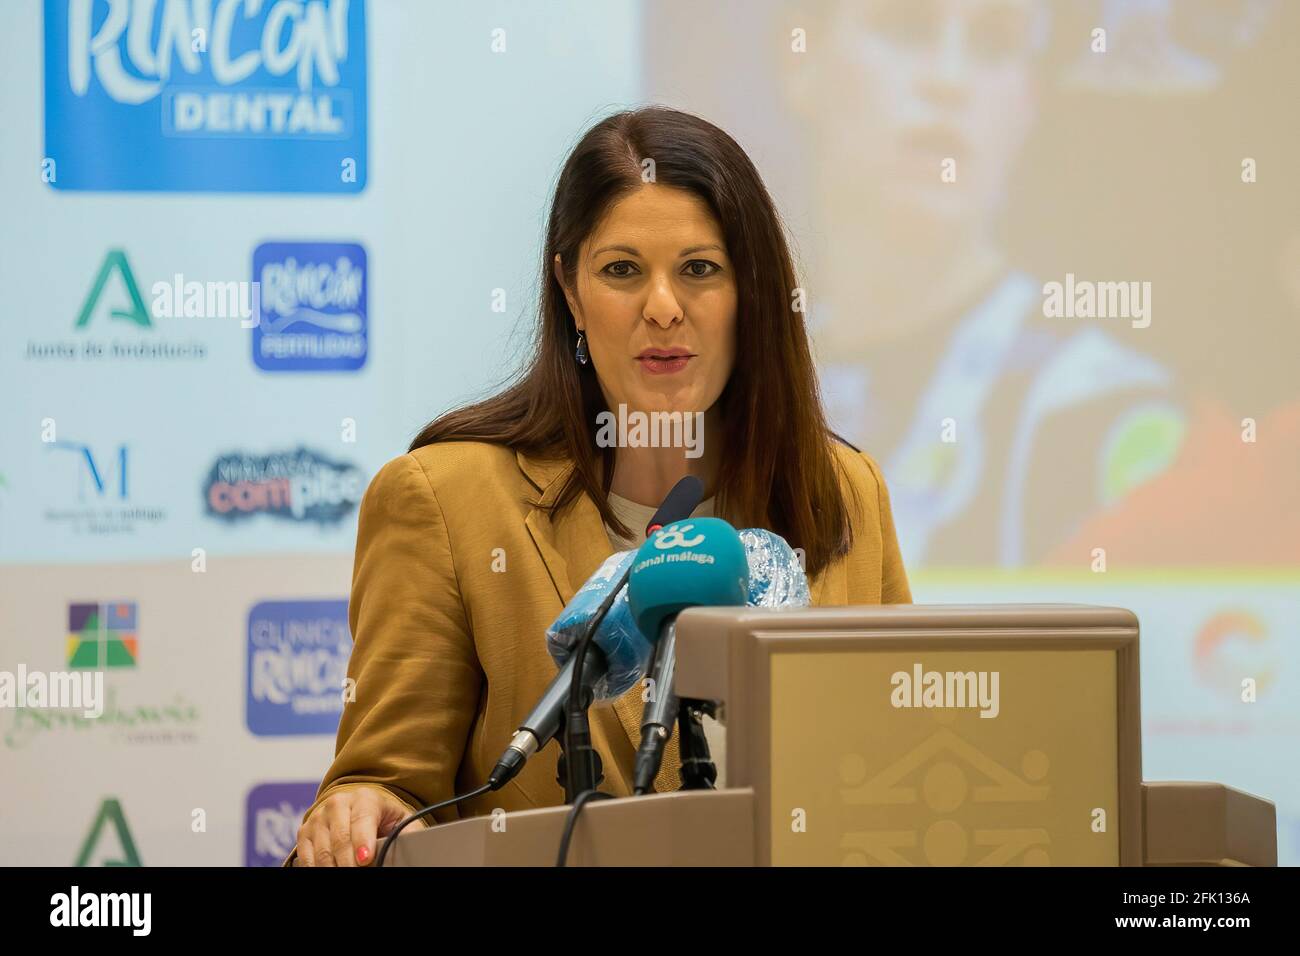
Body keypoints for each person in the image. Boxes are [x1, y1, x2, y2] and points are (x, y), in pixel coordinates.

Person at [289, 107, 911, 866]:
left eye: (700, 269)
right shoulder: (444, 500)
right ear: (571, 291)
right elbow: (386, 791)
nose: (662, 307)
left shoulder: (844, 491)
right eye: (622, 271)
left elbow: (893, 778)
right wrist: (364, 812)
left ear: (753, 293)